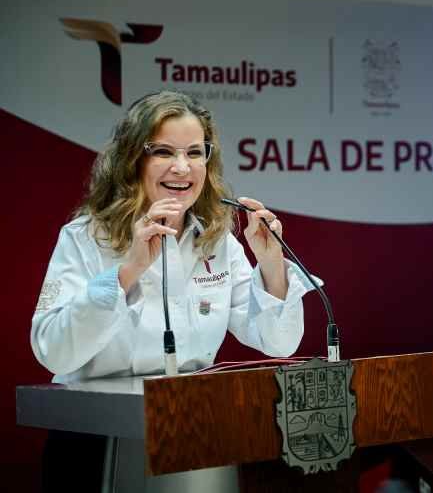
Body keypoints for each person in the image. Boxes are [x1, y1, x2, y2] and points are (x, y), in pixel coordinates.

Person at [30, 90, 316, 491]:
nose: (182, 168)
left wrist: (271, 263)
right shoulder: (85, 237)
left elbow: (279, 342)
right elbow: (52, 351)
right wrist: (128, 272)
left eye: (195, 153)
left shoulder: (217, 240)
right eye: (163, 151)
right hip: (96, 441)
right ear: (133, 160)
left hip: (193, 432)